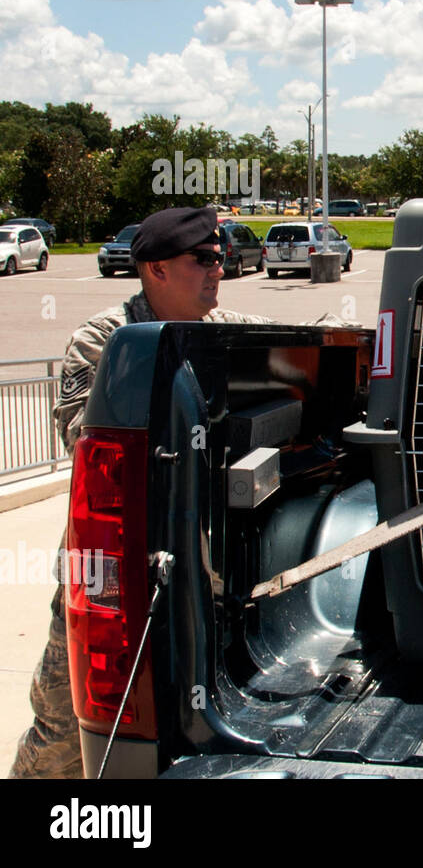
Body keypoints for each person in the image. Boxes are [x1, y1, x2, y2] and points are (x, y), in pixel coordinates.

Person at [10, 207, 273, 779]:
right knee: (64, 725)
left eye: (221, 259)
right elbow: (87, 438)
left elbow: (304, 344)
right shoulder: (106, 340)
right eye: (202, 260)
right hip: (111, 565)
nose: (218, 271)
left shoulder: (220, 331)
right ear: (155, 269)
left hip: (199, 559)